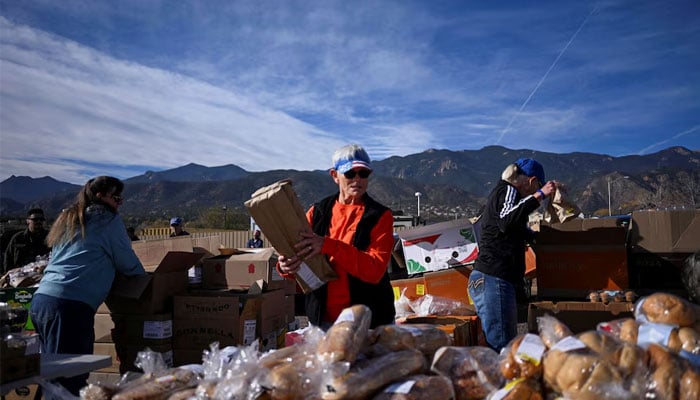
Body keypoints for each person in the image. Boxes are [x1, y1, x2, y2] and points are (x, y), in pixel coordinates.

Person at [29, 176, 145, 397]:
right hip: (69, 307)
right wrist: (148, 281)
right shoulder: (107, 220)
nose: (120, 202)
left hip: (42, 301)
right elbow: (126, 260)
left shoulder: (71, 218)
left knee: (50, 377)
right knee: (69, 379)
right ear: (100, 196)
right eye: (116, 197)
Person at [277, 144, 395, 329]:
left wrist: (329, 245)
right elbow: (297, 251)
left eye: (363, 173)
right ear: (335, 176)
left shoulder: (380, 216)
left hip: (370, 322)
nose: (357, 179)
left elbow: (374, 270)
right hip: (323, 320)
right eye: (350, 174)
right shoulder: (317, 212)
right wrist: (286, 266)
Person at [467, 158, 555, 351]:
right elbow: (507, 221)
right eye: (536, 186)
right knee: (503, 348)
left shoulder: (507, 198)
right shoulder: (508, 190)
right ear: (532, 181)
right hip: (493, 278)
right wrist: (539, 196)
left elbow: (512, 228)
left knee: (502, 344)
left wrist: (538, 236)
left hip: (490, 278)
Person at [3, 208, 50, 273]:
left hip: (42, 277)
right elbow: (8, 258)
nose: (39, 222)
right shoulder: (18, 238)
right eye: (35, 219)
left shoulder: (50, 238)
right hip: (19, 277)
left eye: (41, 220)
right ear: (28, 221)